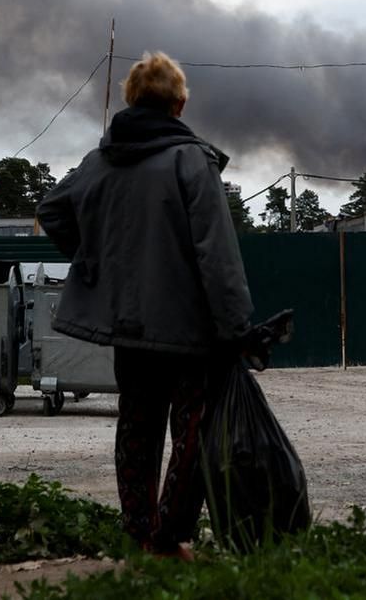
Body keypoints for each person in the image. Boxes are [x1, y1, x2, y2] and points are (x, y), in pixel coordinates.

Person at [37, 52, 253, 557]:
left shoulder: (99, 161)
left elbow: (52, 209)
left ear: (132, 101)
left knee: (137, 426)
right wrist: (238, 327)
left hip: (129, 328)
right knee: (192, 433)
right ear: (178, 105)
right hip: (188, 330)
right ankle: (169, 537)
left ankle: (139, 532)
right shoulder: (190, 161)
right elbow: (217, 255)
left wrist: (96, 261)